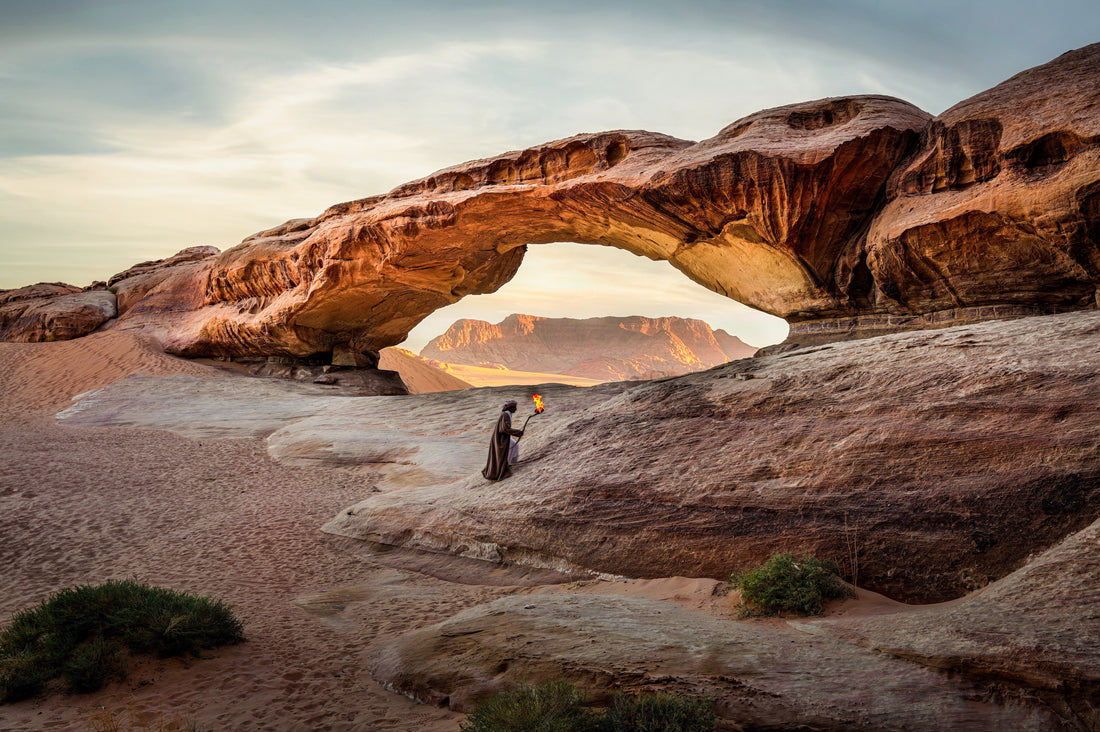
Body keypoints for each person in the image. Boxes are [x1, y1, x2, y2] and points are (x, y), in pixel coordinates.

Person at [482, 400, 524, 480]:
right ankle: (504, 469)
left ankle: (509, 464)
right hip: (501, 438)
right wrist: (517, 432)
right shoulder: (506, 415)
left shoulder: (507, 414)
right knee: (506, 451)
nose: (516, 409)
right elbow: (504, 429)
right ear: (510, 408)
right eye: (514, 407)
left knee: (514, 446)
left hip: (502, 437)